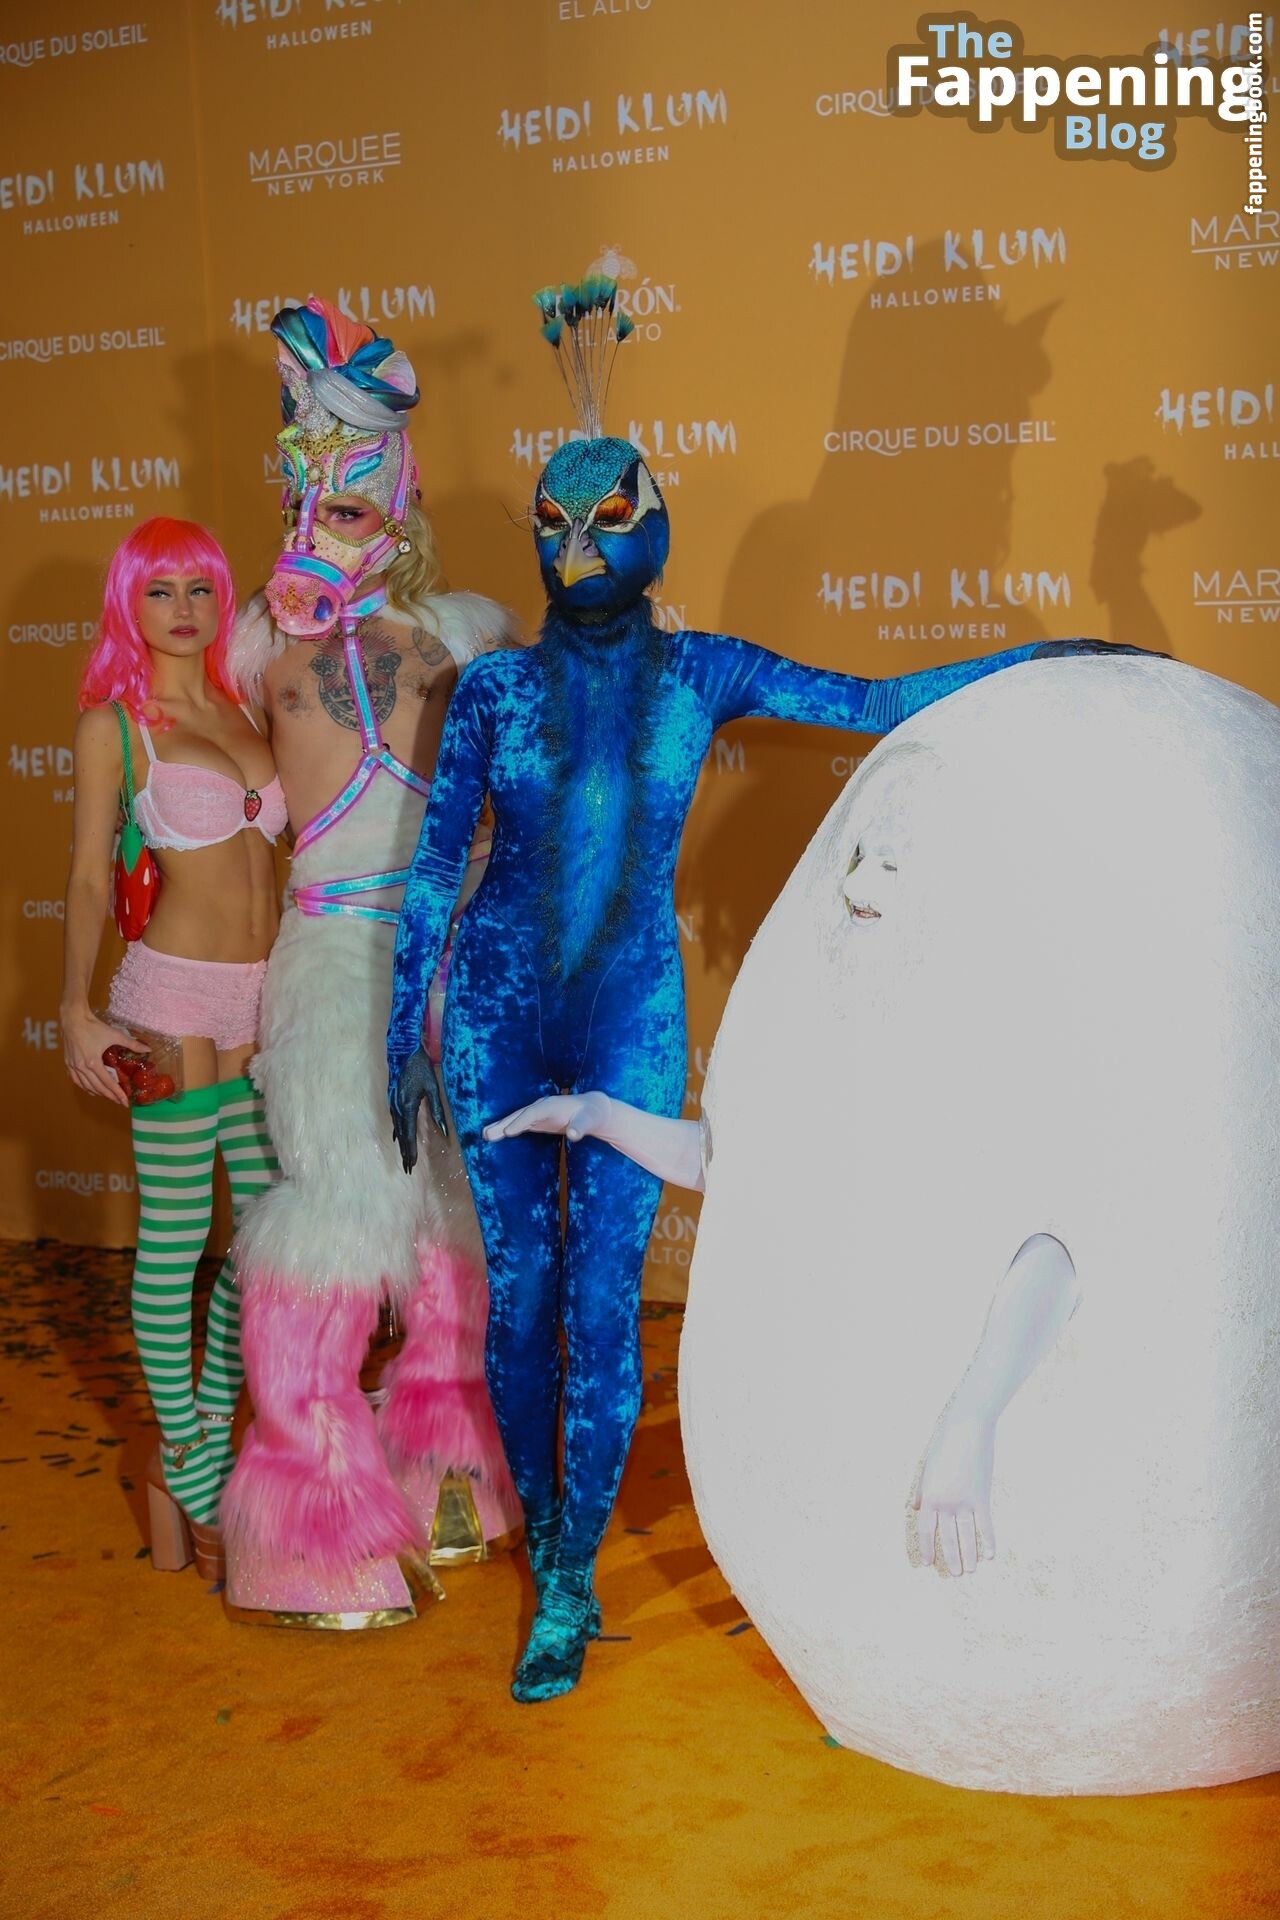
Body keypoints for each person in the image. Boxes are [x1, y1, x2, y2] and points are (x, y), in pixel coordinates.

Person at [386, 274, 1149, 1701]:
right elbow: (436, 867)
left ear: (654, 520)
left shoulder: (702, 672)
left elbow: (879, 703)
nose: (577, 545)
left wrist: (1050, 655)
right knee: (524, 1305)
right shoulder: (490, 692)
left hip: (627, 1015)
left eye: (607, 517)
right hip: (493, 1013)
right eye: (554, 522)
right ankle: (552, 1548)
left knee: (603, 1312)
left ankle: (568, 1582)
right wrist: (401, 1026)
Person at [220, 298, 521, 1627]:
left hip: (448, 945)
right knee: (341, 1208)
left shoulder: (463, 633)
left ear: (399, 486)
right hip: (333, 951)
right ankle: (308, 1518)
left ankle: (443, 1461)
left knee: (456, 1209)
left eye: (349, 481)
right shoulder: (254, 643)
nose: (322, 509)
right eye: (305, 478)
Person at [61, 517, 283, 1581]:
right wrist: (74, 1009)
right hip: (169, 1003)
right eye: (160, 590)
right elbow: (85, 877)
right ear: (128, 605)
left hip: (265, 1003)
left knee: (268, 1237)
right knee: (178, 1234)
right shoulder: (114, 726)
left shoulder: (253, 706)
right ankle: (193, 1467)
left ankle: (197, 1440)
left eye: (200, 586)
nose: (184, 608)